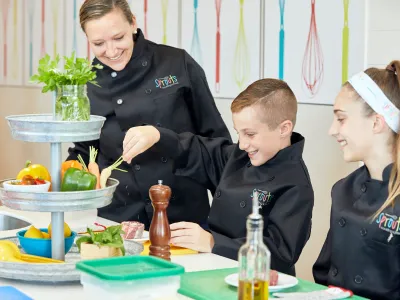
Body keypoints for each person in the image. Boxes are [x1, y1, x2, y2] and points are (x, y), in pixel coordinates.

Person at [122, 78, 314, 276]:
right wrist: (158, 136)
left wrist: (213, 243)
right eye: (239, 133)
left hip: (259, 283)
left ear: (284, 128)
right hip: (216, 267)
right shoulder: (238, 157)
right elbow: (199, 150)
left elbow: (280, 254)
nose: (242, 144)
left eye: (250, 134)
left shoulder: (296, 185)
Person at [67, 0, 231, 227]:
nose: (112, 51)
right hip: (117, 221)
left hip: (184, 219)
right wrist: (59, 182)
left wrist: (225, 229)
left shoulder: (177, 64)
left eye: (118, 38)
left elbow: (218, 146)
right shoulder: (87, 81)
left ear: (133, 23)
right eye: (98, 43)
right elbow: (87, 150)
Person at [313, 61, 400, 299]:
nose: (332, 130)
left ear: (376, 122)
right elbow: (323, 276)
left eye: (341, 119)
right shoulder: (342, 191)